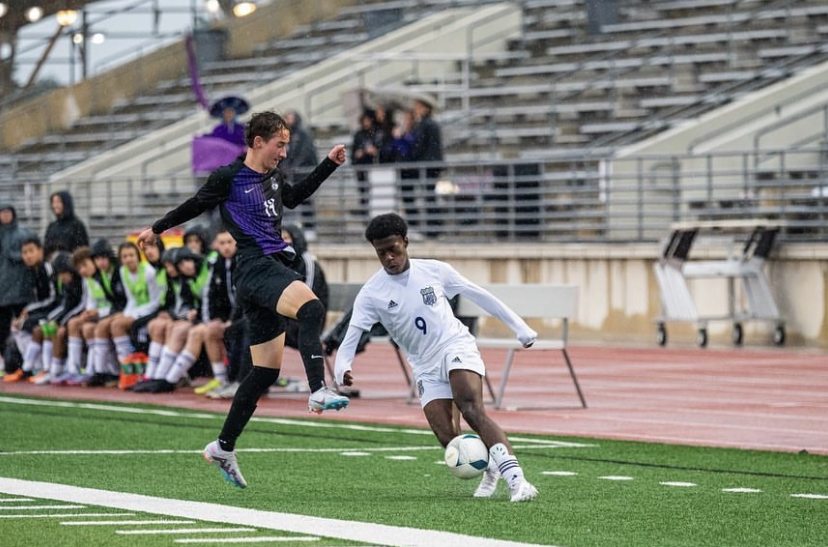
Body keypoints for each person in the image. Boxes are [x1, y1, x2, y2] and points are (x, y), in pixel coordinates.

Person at [136, 110, 349, 489]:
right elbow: (195, 204)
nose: (284, 153)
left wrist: (328, 165)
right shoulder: (229, 176)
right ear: (258, 142)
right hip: (254, 267)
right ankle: (318, 390)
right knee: (312, 307)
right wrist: (157, 228)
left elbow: (295, 197)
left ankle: (223, 446)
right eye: (280, 145)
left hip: (269, 270)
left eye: (286, 145)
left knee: (265, 372)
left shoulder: (274, 177)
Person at [334, 213, 539, 503]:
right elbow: (353, 331)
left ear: (405, 242)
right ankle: (491, 467)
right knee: (449, 439)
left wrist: (520, 328)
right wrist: (342, 365)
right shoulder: (372, 293)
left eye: (394, 249)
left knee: (471, 408)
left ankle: (518, 480)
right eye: (381, 253)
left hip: (454, 345)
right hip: (424, 365)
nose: (389, 257)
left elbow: (480, 295)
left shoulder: (434, 271)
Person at [4, 235, 55, 381]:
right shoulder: (30, 272)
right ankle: (29, 366)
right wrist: (25, 313)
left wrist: (30, 310)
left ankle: (37, 368)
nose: (27, 256)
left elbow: (53, 298)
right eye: (24, 252)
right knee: (16, 325)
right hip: (41, 310)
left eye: (31, 251)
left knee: (26, 325)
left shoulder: (47, 268)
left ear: (40, 251)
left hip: (52, 311)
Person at [0, 203, 36, 374]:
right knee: (3, 329)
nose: (5, 215)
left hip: (21, 289)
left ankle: (25, 364)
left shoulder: (24, 235)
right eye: (2, 212)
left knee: (23, 327)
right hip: (2, 290)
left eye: (8, 212)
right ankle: (9, 363)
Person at [408, 99, 444, 237]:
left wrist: (411, 156)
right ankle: (434, 227)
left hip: (428, 165)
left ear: (425, 109)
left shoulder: (425, 125)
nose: (416, 110)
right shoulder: (431, 124)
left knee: (429, 197)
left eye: (418, 107)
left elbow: (419, 145)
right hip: (432, 164)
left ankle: (433, 228)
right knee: (430, 196)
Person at [280, 110, 319, 236]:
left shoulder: (303, 133)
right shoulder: (287, 134)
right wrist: (286, 166)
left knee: (306, 199)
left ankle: (309, 228)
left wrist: (292, 166)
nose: (287, 120)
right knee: (293, 199)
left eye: (290, 117)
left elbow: (305, 152)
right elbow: (287, 153)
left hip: (304, 173)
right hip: (294, 175)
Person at [43, 191, 89, 259]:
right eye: (53, 202)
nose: (55, 205)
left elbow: (82, 250)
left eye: (58, 202)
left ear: (66, 203)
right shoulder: (52, 226)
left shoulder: (77, 225)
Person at [351, 110, 379, 211]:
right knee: (363, 190)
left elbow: (378, 149)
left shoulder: (375, 133)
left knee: (372, 190)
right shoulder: (359, 134)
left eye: (368, 121)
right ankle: (364, 210)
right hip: (361, 167)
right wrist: (363, 151)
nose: (366, 123)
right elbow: (354, 153)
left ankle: (369, 210)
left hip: (373, 167)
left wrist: (373, 151)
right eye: (364, 121)